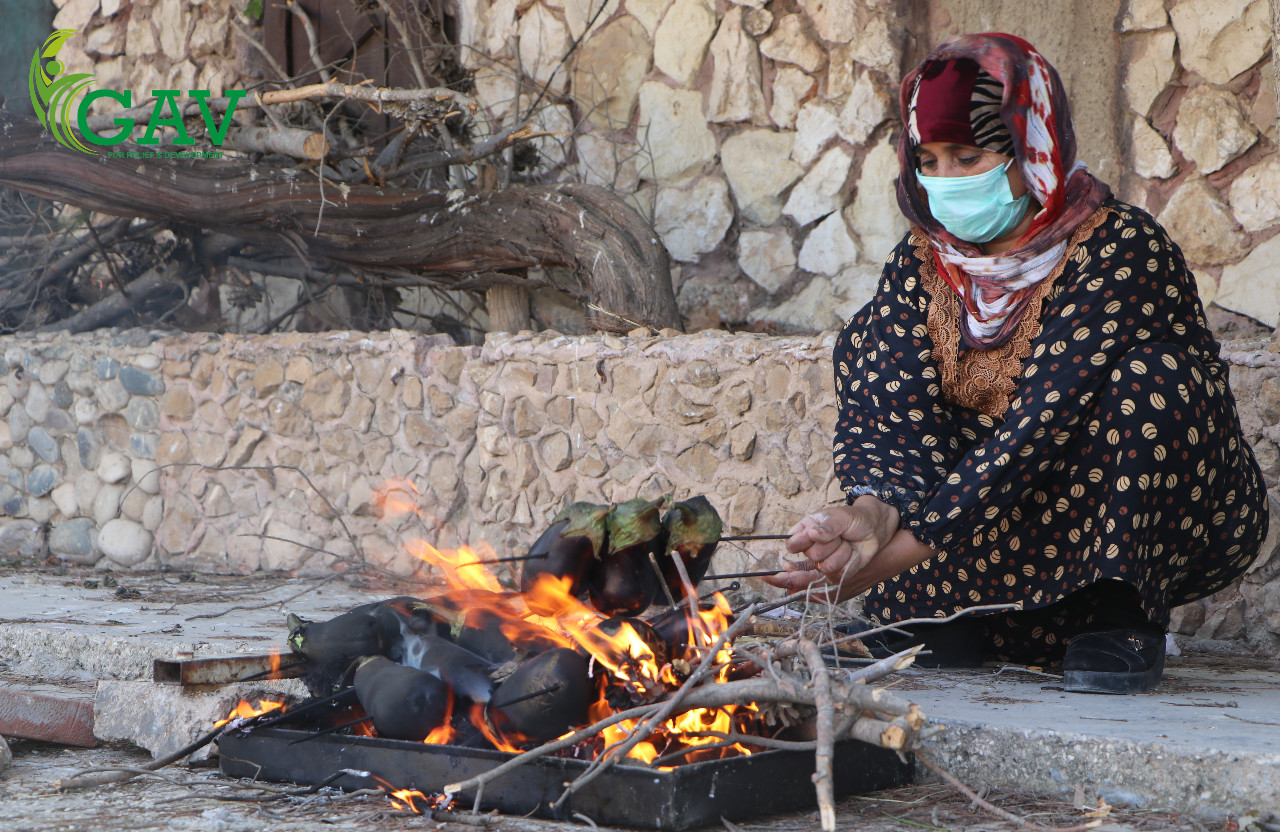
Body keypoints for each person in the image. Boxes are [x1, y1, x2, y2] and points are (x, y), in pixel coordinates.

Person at [765, 33, 1269, 694]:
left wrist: (882, 565)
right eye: (929, 160)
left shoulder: (1120, 247)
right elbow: (893, 417)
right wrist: (870, 516)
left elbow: (1037, 431)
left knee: (1152, 381)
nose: (946, 181)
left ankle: (1119, 618)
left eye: (968, 157)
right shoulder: (922, 263)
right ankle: (944, 614)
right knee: (868, 339)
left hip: (1084, 541)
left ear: (1032, 149)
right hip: (966, 552)